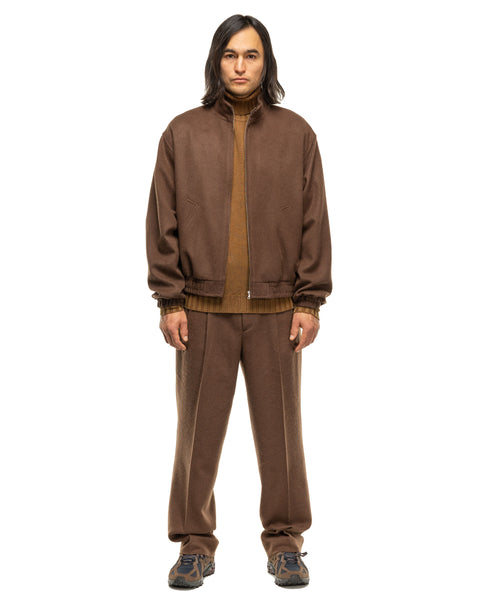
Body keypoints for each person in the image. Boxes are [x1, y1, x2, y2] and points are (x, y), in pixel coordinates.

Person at [145, 14, 332, 589]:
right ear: (216, 61)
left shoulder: (297, 134)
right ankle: (194, 544)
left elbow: (314, 221)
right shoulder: (182, 133)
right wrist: (169, 300)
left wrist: (310, 301)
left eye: (251, 55)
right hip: (201, 312)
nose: (241, 66)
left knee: (282, 438)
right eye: (231, 55)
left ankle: (285, 542)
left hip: (278, 313)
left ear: (265, 62)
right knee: (195, 438)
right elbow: (162, 221)